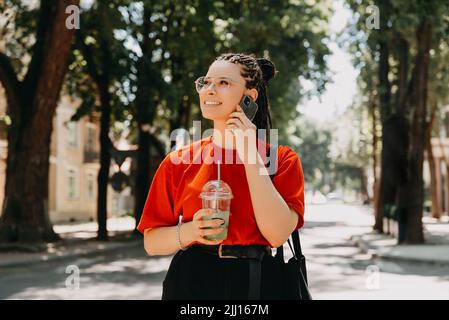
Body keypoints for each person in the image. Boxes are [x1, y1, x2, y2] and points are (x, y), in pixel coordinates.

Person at [137, 53, 305, 300]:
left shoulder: (282, 160)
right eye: (206, 82)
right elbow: (151, 242)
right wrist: (193, 230)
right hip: (191, 283)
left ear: (250, 97)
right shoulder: (178, 161)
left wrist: (249, 152)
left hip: (257, 284)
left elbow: (277, 234)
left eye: (224, 83)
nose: (210, 90)